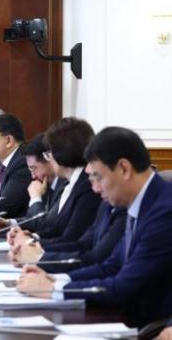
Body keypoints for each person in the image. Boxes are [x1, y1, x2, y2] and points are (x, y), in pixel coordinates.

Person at [17, 127, 172, 327]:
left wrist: (54, 290)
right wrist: (55, 280)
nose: (95, 188)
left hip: (150, 327)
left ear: (123, 169)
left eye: (98, 177)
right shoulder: (139, 201)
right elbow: (111, 266)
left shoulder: (164, 211)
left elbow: (125, 286)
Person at [0, 118, 101, 248]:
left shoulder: (86, 186)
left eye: (50, 152)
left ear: (62, 151)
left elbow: (71, 238)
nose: (49, 158)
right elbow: (56, 227)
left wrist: (30, 245)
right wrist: (32, 238)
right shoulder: (72, 183)